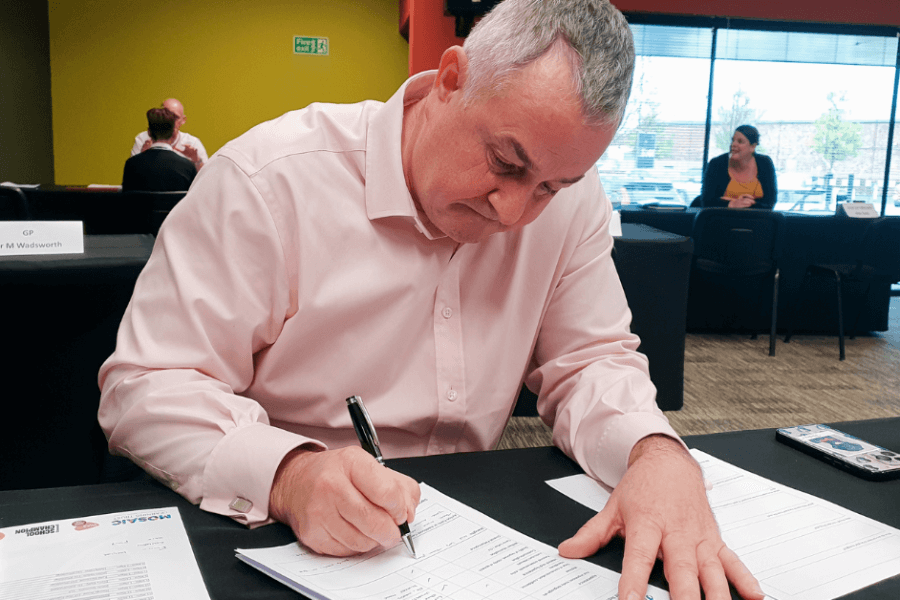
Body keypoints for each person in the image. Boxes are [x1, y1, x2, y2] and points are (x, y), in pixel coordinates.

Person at [99, 2, 764, 599]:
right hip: (272, 536)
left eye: (552, 187)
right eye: (506, 162)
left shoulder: (573, 203)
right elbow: (148, 387)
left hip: (468, 542)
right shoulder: (268, 183)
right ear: (450, 78)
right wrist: (288, 475)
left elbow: (590, 361)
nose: (515, 212)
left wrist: (655, 452)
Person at [700, 124, 777, 209]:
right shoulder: (717, 164)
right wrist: (732, 204)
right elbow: (707, 201)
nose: (733, 144)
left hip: (756, 219)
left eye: (740, 141)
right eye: (733, 140)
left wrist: (742, 204)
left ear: (752, 147)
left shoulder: (765, 163)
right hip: (722, 217)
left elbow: (770, 202)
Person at [121, 107, 198, 192]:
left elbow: (127, 200)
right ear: (173, 133)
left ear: (149, 132)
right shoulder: (187, 167)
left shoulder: (131, 165)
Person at [130, 98, 208, 170]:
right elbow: (132, 173)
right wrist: (144, 156)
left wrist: (196, 160)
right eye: (167, 115)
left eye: (175, 117)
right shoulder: (143, 139)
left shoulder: (192, 143)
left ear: (183, 120)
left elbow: (207, 177)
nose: (170, 120)